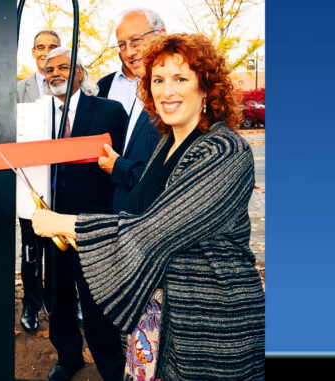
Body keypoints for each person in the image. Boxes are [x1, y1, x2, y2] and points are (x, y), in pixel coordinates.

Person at [32, 34, 265, 380]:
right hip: (157, 316)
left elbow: (152, 230)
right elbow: (133, 215)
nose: (167, 91)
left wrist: (63, 224)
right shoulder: (167, 143)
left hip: (209, 324)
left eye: (181, 78)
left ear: (206, 88)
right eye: (158, 80)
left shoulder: (223, 151)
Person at [42, 47, 128, 381]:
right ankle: (68, 357)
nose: (56, 75)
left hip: (94, 222)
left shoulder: (110, 111)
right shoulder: (39, 115)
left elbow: (121, 164)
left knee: (96, 302)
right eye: (50, 70)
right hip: (50, 220)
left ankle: (110, 366)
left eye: (63, 67)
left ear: (80, 72)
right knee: (58, 296)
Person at [15, 28, 63, 333]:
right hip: (29, 183)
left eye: (53, 47)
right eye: (40, 47)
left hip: (62, 180)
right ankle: (31, 304)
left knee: (60, 249)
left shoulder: (72, 87)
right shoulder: (19, 90)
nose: (46, 52)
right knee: (31, 250)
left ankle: (59, 302)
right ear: (33, 52)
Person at [96, 8, 164, 213]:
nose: (129, 52)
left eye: (136, 41)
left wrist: (118, 168)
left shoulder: (174, 96)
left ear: (161, 35)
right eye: (122, 45)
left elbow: (172, 176)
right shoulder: (142, 90)